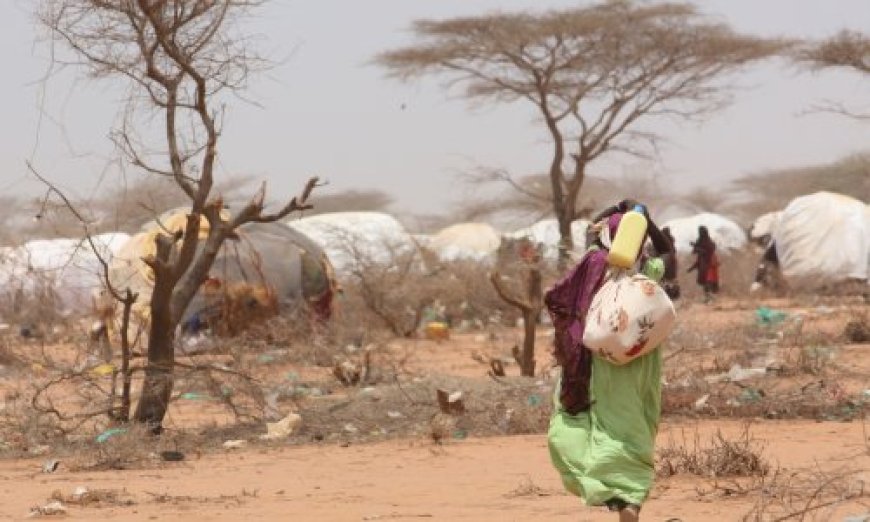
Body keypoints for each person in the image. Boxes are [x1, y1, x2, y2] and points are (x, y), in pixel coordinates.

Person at [545, 199, 674, 522]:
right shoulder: (648, 270)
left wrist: (616, 209)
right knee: (632, 427)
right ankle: (630, 500)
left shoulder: (593, 263)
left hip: (597, 364)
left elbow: (591, 235)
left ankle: (611, 494)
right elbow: (666, 250)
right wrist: (644, 217)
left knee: (597, 425)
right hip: (639, 362)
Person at [688, 226, 719, 302]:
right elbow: (697, 252)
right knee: (706, 281)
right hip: (704, 264)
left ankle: (710, 297)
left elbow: (707, 251)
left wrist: (696, 246)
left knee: (708, 281)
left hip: (710, 264)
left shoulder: (708, 242)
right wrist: (691, 268)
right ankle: (708, 297)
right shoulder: (701, 241)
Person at [660, 227, 680, 300]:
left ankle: (668, 296)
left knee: (665, 280)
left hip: (665, 262)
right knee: (671, 280)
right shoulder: (671, 241)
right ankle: (673, 296)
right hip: (672, 262)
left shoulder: (662, 241)